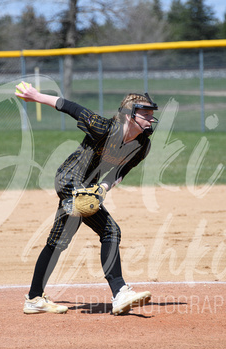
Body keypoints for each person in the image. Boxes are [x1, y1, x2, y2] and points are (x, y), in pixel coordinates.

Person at [15, 81, 159, 315]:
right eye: (145, 114)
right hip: (69, 180)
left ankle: (33, 298)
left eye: (152, 115)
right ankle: (120, 292)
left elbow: (119, 172)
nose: (151, 119)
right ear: (129, 115)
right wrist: (36, 96)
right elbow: (70, 107)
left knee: (58, 241)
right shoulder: (104, 128)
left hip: (88, 188)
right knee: (110, 230)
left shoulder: (142, 145)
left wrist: (102, 188)